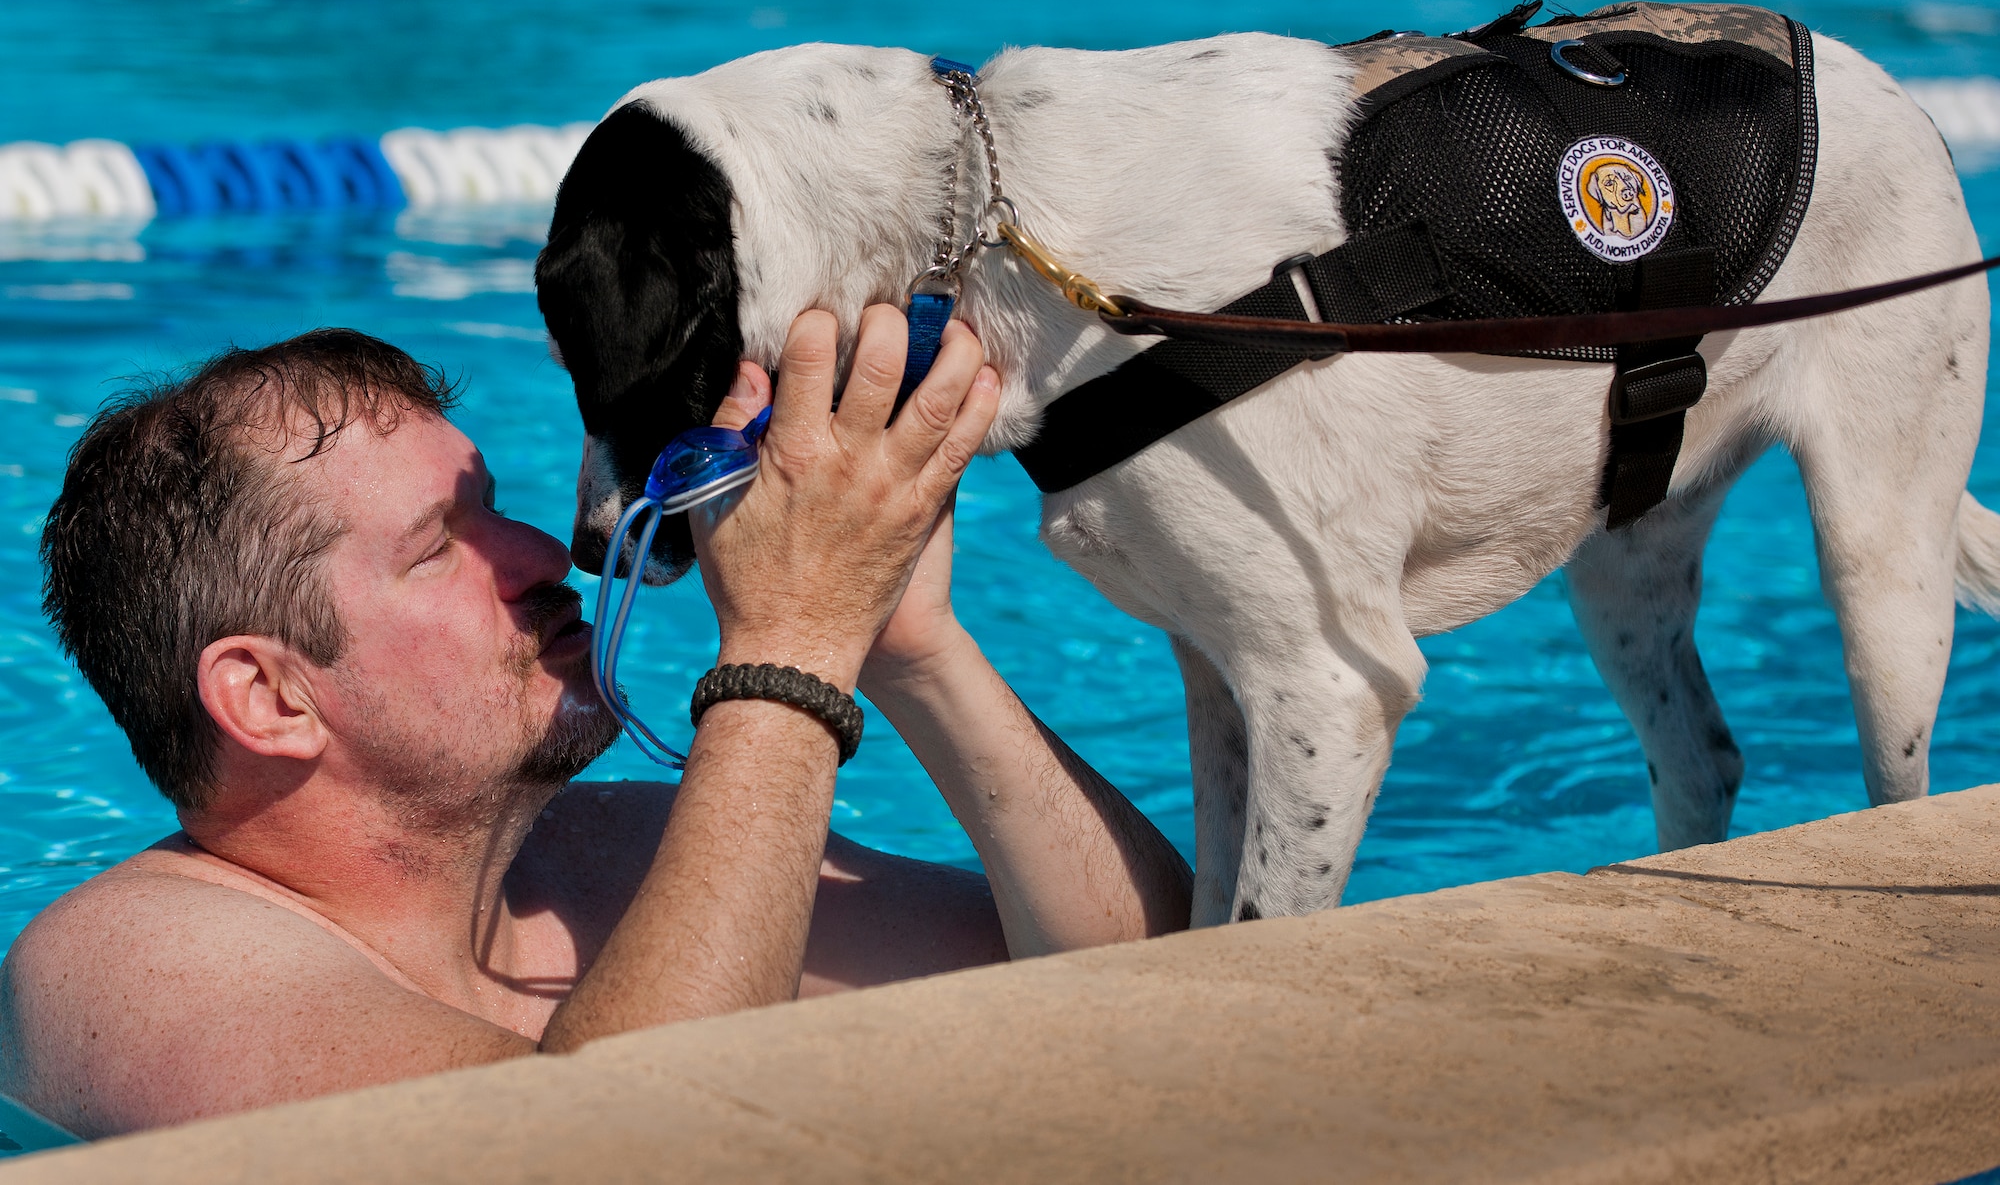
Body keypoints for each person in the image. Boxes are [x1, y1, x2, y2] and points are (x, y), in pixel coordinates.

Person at [0, 308, 1191, 1140]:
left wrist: (906, 645)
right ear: (270, 697)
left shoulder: (612, 860)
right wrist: (788, 648)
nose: (541, 555)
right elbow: (621, 1148)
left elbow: (1155, 979)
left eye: (497, 510)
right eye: (439, 548)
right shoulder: (127, 965)